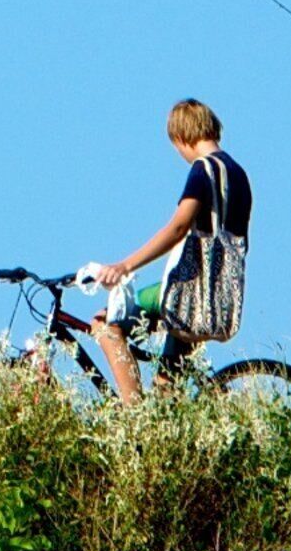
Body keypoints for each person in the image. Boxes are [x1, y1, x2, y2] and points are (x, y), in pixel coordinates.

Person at [81, 98, 251, 402]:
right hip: (222, 297)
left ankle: (133, 413)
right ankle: (159, 420)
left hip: (190, 292)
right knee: (165, 390)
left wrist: (124, 266)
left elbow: (177, 227)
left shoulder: (203, 170)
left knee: (105, 323)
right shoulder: (238, 174)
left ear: (181, 137)